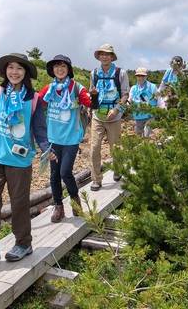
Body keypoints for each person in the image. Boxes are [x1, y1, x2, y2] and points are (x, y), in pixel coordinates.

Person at [0, 53, 53, 267]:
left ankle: (23, 243)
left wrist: (46, 148)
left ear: (26, 73)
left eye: (19, 68)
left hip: (20, 161)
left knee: (19, 203)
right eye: (11, 68)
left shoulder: (33, 100)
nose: (14, 72)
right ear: (5, 71)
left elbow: (40, 129)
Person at [38, 55, 93, 222]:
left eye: (63, 66)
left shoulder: (77, 87)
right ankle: (58, 206)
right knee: (54, 175)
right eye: (56, 66)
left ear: (68, 69)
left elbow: (91, 104)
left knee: (65, 172)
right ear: (52, 70)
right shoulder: (49, 89)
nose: (59, 69)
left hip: (71, 139)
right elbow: (37, 104)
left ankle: (75, 201)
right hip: (53, 139)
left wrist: (95, 97)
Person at [88, 44, 130, 190]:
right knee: (94, 147)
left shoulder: (121, 73)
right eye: (102, 54)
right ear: (99, 56)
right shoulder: (94, 73)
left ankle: (117, 170)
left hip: (115, 116)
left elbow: (125, 94)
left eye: (108, 54)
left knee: (115, 148)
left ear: (112, 57)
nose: (104, 56)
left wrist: (117, 109)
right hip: (97, 115)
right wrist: (92, 98)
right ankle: (96, 179)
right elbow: (92, 93)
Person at [128, 67, 158, 137]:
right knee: (138, 136)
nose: (140, 77)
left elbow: (158, 99)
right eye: (138, 76)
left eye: (142, 76)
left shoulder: (152, 87)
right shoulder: (133, 88)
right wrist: (127, 104)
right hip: (138, 116)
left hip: (150, 116)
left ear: (146, 76)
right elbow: (130, 99)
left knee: (146, 135)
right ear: (136, 76)